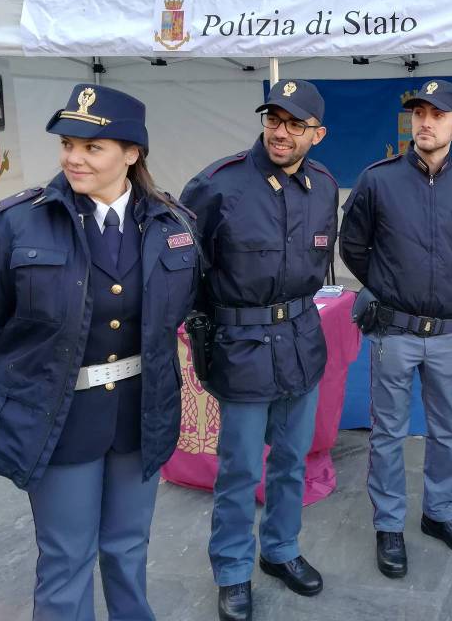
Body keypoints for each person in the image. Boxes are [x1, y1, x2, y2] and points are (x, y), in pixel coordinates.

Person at [0, 84, 199, 620]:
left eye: (94, 147)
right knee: (67, 556)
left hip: (141, 411)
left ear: (132, 153)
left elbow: (175, 311)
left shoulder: (173, 224)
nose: (74, 157)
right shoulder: (14, 222)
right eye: (68, 143)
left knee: (128, 547)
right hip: (59, 413)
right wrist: (42, 370)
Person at [181, 79, 338, 621]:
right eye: (274, 119)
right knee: (240, 469)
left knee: (292, 462)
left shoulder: (323, 187)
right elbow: (185, 268)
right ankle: (231, 569)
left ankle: (281, 550)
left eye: (295, 125)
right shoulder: (216, 185)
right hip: (241, 345)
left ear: (317, 135)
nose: (281, 132)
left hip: (299, 341)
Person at [340, 79, 452, 578]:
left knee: (447, 432)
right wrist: (388, 285)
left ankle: (439, 514)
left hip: (450, 334)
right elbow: (354, 246)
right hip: (395, 332)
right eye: (418, 113)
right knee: (388, 434)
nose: (425, 121)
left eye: (437, 113)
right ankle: (389, 525)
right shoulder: (378, 180)